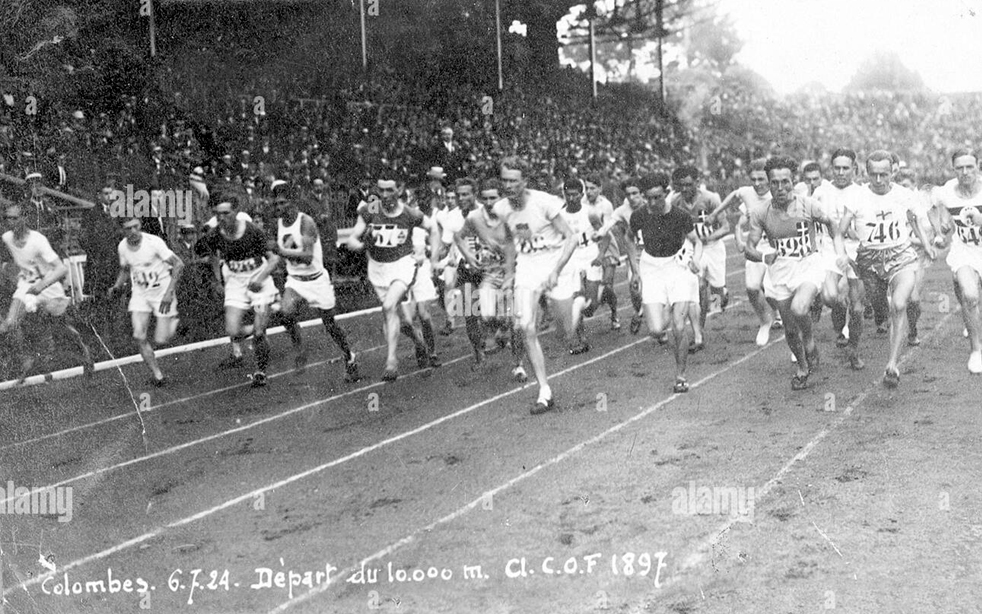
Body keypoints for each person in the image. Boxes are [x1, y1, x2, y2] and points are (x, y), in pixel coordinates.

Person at [745, 156, 845, 390]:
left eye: (786, 182)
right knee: (790, 329)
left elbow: (832, 224)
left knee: (799, 308)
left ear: (793, 181)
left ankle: (809, 340)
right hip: (779, 270)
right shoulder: (760, 212)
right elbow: (749, 249)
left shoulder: (808, 205)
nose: (781, 188)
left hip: (808, 264)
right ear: (769, 184)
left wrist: (838, 250)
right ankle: (802, 366)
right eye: (775, 183)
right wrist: (762, 256)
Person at [837, 150, 935, 387]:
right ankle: (862, 338)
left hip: (900, 255)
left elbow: (913, 217)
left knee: (900, 304)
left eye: (884, 174)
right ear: (866, 173)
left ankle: (892, 364)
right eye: (873, 174)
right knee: (873, 309)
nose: (879, 180)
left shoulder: (904, 194)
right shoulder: (858, 196)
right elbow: (839, 232)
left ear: (893, 172)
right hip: (869, 260)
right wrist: (841, 253)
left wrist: (925, 243)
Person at [493, 156, 578, 414]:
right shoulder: (501, 208)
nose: (508, 186)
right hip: (528, 267)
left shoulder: (544, 203)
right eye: (505, 180)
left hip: (555, 263)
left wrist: (556, 271)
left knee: (565, 333)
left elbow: (571, 238)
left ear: (524, 181)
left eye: (513, 181)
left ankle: (578, 303)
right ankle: (544, 390)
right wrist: (509, 273)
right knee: (525, 326)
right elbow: (509, 241)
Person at [346, 177, 440, 381]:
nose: (385, 195)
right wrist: (362, 244)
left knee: (388, 307)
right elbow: (352, 238)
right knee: (402, 320)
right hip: (378, 268)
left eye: (389, 190)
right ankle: (418, 341)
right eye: (381, 190)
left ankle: (391, 361)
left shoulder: (409, 213)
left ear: (399, 189)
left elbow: (433, 228)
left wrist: (432, 259)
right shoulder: (371, 209)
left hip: (402, 265)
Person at [272, 181, 360, 383]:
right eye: (276, 204)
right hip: (295, 280)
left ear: (293, 202)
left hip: (316, 279)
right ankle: (300, 347)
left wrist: (282, 252)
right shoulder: (277, 223)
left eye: (283, 203)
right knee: (285, 314)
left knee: (330, 324)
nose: (279, 208)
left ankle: (349, 356)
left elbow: (308, 256)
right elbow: (277, 252)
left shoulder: (306, 222)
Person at [623, 173, 703, 393]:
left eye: (657, 197)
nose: (652, 203)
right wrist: (636, 270)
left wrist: (695, 260)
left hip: (677, 266)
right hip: (651, 267)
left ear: (666, 194)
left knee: (678, 326)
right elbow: (629, 238)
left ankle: (681, 375)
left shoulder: (680, 216)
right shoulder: (639, 215)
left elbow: (697, 242)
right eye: (648, 198)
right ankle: (665, 309)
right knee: (657, 330)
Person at [1, 202, 94, 383]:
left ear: (24, 219)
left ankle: (85, 353)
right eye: (7, 218)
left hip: (49, 287)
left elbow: (60, 269)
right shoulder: (6, 238)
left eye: (14, 218)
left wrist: (40, 286)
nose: (9, 222)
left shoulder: (38, 240)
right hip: (26, 286)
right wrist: (12, 271)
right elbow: (7, 261)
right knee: (10, 324)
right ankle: (26, 360)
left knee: (60, 328)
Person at [196, 198, 281, 387]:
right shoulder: (216, 234)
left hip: (259, 279)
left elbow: (274, 259)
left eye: (226, 213)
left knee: (259, 335)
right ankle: (265, 320)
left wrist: (259, 280)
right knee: (233, 330)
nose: (222, 217)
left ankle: (261, 371)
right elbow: (210, 255)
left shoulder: (252, 231)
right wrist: (218, 280)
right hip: (235, 281)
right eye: (218, 214)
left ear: (236, 212)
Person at [453, 178, 524, 377]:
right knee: (484, 314)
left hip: (514, 273)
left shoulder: (513, 215)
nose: (489, 202)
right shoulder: (474, 218)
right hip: (489, 274)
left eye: (493, 198)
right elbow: (458, 237)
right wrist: (468, 256)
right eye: (485, 198)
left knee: (517, 325)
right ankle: (498, 331)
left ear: (501, 198)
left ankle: (518, 364)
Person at [712, 158, 783, 345]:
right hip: (756, 247)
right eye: (753, 179)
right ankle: (765, 321)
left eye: (761, 179)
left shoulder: (779, 193)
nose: (757, 184)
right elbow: (734, 197)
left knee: (772, 292)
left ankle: (783, 315)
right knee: (752, 288)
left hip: (778, 248)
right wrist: (715, 213)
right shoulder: (747, 193)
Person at [108, 217, 184, 385]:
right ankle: (158, 376)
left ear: (140, 225)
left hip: (161, 292)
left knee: (162, 339)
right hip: (141, 294)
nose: (133, 232)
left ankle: (175, 320)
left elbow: (178, 264)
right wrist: (116, 286)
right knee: (139, 336)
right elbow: (126, 269)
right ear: (122, 230)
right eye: (128, 228)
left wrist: (169, 293)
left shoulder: (154, 242)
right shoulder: (122, 246)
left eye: (136, 227)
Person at [812, 148, 867, 367]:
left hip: (857, 250)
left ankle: (854, 348)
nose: (841, 172)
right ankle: (839, 317)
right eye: (837, 168)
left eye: (846, 168)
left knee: (857, 307)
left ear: (854, 168)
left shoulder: (862, 193)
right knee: (829, 297)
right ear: (831, 168)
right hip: (829, 249)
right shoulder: (821, 192)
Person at [931, 148, 982, 374]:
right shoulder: (946, 192)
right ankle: (976, 350)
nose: (965, 172)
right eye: (959, 168)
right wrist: (939, 231)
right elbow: (929, 207)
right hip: (964, 251)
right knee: (971, 295)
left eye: (969, 166)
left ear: (978, 166)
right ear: (954, 169)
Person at [560, 178, 606, 354]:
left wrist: (601, 255)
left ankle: (603, 292)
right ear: (564, 195)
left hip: (590, 256)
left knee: (590, 307)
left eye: (575, 195)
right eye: (568, 195)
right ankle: (582, 339)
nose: (572, 198)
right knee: (575, 299)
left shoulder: (590, 213)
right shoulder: (560, 216)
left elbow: (605, 235)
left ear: (581, 194)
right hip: (572, 259)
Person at [583, 173, 620, 330]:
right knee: (593, 287)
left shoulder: (605, 205)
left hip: (607, 245)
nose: (589, 191)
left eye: (592, 188)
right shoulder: (581, 203)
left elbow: (607, 227)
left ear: (599, 189)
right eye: (587, 188)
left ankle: (614, 314)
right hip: (590, 247)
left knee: (607, 285)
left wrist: (600, 234)